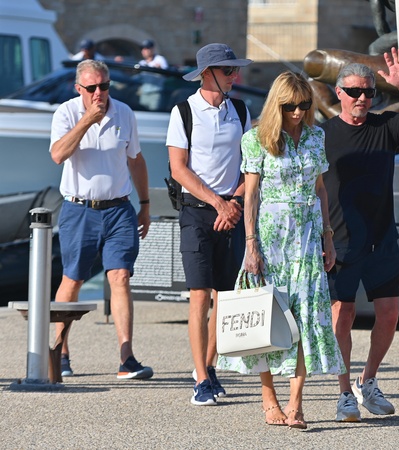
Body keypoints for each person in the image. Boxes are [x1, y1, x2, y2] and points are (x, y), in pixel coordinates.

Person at [217, 71, 345, 430]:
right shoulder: (256, 139)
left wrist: (328, 236)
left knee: (304, 318)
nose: (297, 112)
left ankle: (296, 404)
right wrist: (251, 244)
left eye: (304, 105)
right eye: (290, 106)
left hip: (307, 237)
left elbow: (320, 189)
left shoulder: (316, 136)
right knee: (268, 317)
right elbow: (251, 194)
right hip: (270, 238)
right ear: (277, 104)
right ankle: (268, 397)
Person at [321, 48, 399, 422]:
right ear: (339, 93)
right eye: (354, 92)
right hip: (340, 239)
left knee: (389, 313)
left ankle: (368, 381)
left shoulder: (383, 126)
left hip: (381, 237)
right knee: (343, 313)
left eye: (368, 92)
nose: (362, 98)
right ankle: (343, 393)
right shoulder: (323, 135)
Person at [51, 59, 152, 379]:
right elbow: (58, 155)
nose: (99, 93)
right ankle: (60, 353)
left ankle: (126, 358)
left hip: (119, 208)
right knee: (73, 279)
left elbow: (136, 160)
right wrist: (87, 121)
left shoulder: (124, 113)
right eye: (92, 87)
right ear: (78, 88)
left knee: (120, 276)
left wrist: (145, 204)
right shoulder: (66, 113)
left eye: (104, 86)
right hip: (79, 208)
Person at [166, 43, 250, 405]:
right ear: (207, 74)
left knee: (225, 297)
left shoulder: (240, 110)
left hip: (232, 212)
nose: (235, 75)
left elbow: (250, 165)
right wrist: (219, 203)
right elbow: (178, 169)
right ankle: (200, 377)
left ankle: (211, 366)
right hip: (197, 212)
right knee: (200, 294)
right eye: (228, 70)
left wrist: (235, 204)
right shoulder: (183, 111)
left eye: (235, 69)